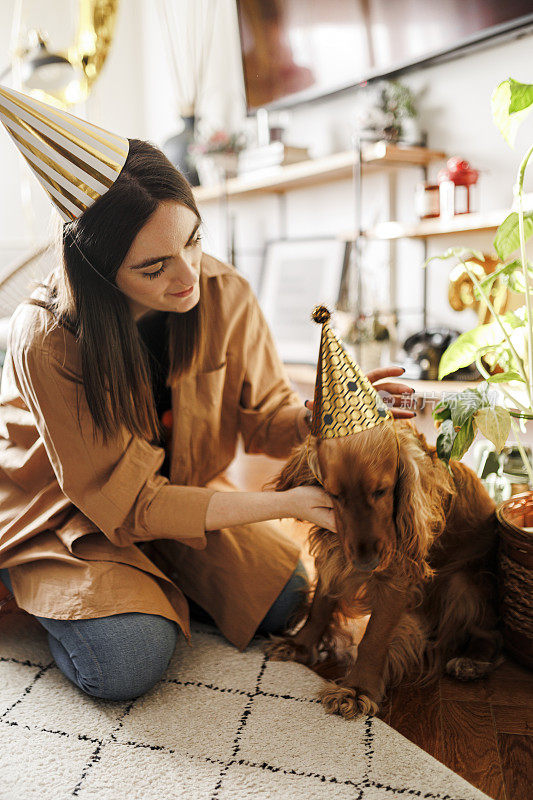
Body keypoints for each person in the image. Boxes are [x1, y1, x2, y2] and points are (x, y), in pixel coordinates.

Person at [0, 86, 414, 702]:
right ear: (98, 272)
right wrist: (286, 505)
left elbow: (263, 422)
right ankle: (37, 587)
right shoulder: (46, 338)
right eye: (153, 267)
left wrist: (313, 419)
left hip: (180, 498)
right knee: (131, 660)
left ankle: (153, 578)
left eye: (193, 240)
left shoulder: (225, 292)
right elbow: (128, 506)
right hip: (71, 516)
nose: (189, 276)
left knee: (288, 598)